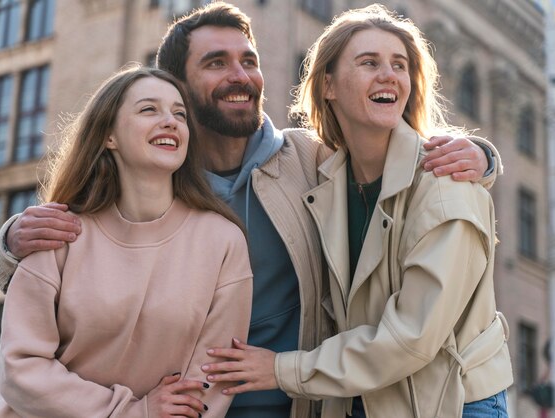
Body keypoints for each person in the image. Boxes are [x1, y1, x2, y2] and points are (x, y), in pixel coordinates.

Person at [0, 3, 502, 418]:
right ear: (178, 89)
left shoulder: (310, 159)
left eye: (249, 61)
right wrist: (11, 241)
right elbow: (82, 245)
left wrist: (481, 157)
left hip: (292, 397)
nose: (241, 76)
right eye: (216, 63)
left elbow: (392, 150)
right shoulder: (153, 168)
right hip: (169, 401)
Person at [200, 4, 513, 418]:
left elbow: (412, 337)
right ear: (327, 85)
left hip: (450, 401)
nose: (389, 75)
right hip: (368, 398)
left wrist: (281, 370)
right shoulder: (319, 169)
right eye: (369, 62)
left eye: (399, 65)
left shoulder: (445, 182)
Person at [0, 65, 252, 417]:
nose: (171, 121)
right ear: (109, 136)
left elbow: (211, 378)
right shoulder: (57, 231)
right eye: (149, 109)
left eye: (179, 114)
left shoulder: (223, 242)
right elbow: (21, 370)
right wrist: (133, 412)